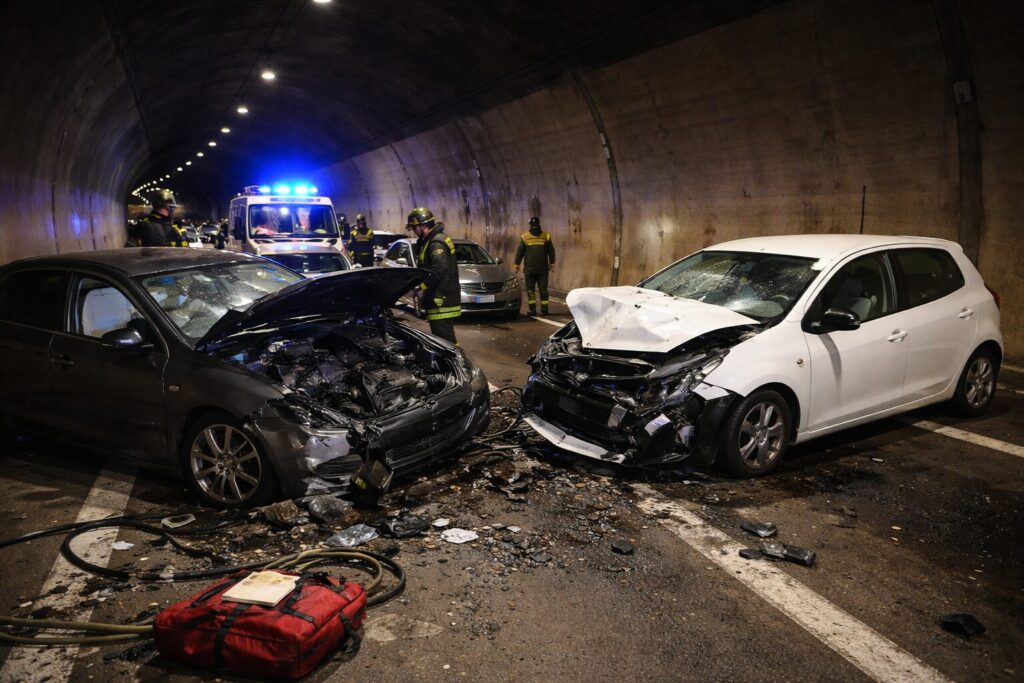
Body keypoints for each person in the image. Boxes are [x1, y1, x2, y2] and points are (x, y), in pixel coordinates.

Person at [407, 207, 460, 344]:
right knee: (445, 340)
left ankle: (457, 364)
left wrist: (423, 286)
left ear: (423, 225)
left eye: (414, 227)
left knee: (445, 343)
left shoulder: (436, 242)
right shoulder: (432, 240)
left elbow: (440, 269)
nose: (413, 231)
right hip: (441, 300)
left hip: (441, 302)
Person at [514, 216, 555, 315]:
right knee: (543, 290)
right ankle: (544, 310)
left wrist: (517, 264)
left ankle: (532, 311)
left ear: (530, 225)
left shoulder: (525, 237)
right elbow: (551, 251)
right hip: (543, 269)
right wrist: (552, 264)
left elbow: (520, 252)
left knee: (530, 291)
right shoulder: (546, 236)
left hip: (529, 269)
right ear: (538, 224)